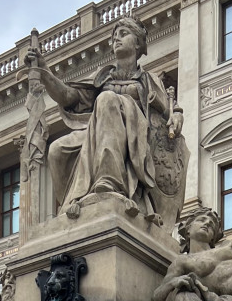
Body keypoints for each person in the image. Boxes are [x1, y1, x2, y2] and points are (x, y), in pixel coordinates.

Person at [25, 16, 183, 222]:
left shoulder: (148, 79)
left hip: (135, 137)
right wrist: (44, 71)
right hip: (97, 132)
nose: (116, 39)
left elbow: (169, 111)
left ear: (137, 43)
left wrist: (177, 116)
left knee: (107, 99)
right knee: (56, 150)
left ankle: (110, 181)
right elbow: (68, 96)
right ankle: (71, 206)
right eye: (114, 36)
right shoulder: (103, 77)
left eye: (123, 34)